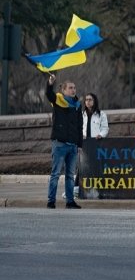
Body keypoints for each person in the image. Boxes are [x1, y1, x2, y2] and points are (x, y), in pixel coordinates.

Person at [45, 73, 83, 209]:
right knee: (55, 174)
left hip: (73, 146)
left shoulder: (78, 105)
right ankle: (51, 201)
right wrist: (50, 83)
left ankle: (70, 201)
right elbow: (49, 94)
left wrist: (80, 144)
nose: (74, 90)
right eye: (71, 88)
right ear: (64, 90)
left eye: (74, 88)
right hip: (60, 144)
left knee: (70, 176)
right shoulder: (58, 100)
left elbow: (80, 125)